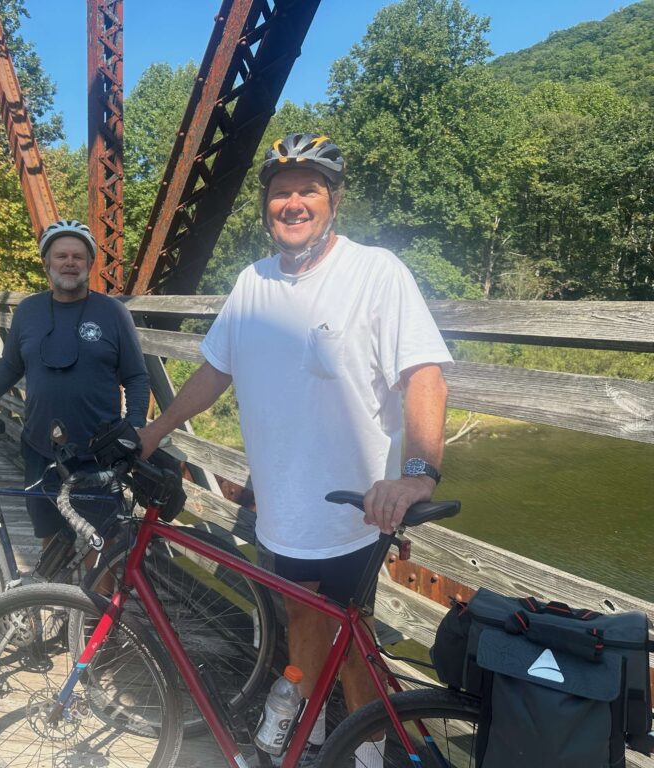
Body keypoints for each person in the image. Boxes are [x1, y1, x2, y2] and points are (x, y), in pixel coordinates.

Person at [138, 133, 450, 763]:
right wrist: (155, 429)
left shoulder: (375, 271)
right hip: (282, 509)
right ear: (267, 206)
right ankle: (300, 720)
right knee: (303, 622)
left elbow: (424, 374)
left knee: (354, 641)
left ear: (332, 199)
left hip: (353, 512)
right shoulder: (252, 283)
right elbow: (213, 371)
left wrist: (418, 473)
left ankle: (366, 752)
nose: (293, 203)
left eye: (308, 189)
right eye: (281, 193)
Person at [0, 219, 150, 548]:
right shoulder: (28, 311)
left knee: (104, 540)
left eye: (78, 257)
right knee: (50, 535)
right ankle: (57, 596)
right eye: (61, 256)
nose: (69, 263)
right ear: (46, 263)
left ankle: (94, 600)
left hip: (100, 450)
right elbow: (10, 366)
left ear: (90, 263)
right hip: (41, 448)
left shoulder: (113, 312)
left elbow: (136, 376)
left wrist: (136, 426)